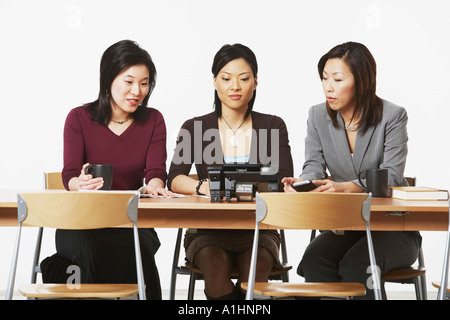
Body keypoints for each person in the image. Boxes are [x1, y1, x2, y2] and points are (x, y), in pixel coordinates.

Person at [282, 41, 422, 299]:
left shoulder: (392, 116)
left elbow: (391, 174)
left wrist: (348, 186)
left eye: (337, 79)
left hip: (394, 229)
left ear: (362, 80)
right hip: (346, 226)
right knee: (314, 259)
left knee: (357, 263)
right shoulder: (316, 116)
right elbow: (313, 165)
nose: (328, 87)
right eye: (324, 78)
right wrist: (305, 184)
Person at [167, 43, 294, 299]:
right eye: (226, 78)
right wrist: (204, 186)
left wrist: (230, 184)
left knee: (255, 275)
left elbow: (281, 179)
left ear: (255, 83)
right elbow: (174, 178)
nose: (235, 86)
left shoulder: (272, 125)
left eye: (244, 78)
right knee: (215, 268)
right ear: (215, 82)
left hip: (259, 228)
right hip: (207, 230)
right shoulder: (195, 127)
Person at [48, 40, 170, 299]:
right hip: (81, 223)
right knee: (94, 248)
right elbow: (69, 173)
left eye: (144, 83)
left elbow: (156, 171)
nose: (137, 91)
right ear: (108, 79)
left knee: (142, 250)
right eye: (129, 81)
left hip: (131, 222)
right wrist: (77, 184)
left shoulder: (153, 120)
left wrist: (156, 185)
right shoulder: (79, 118)